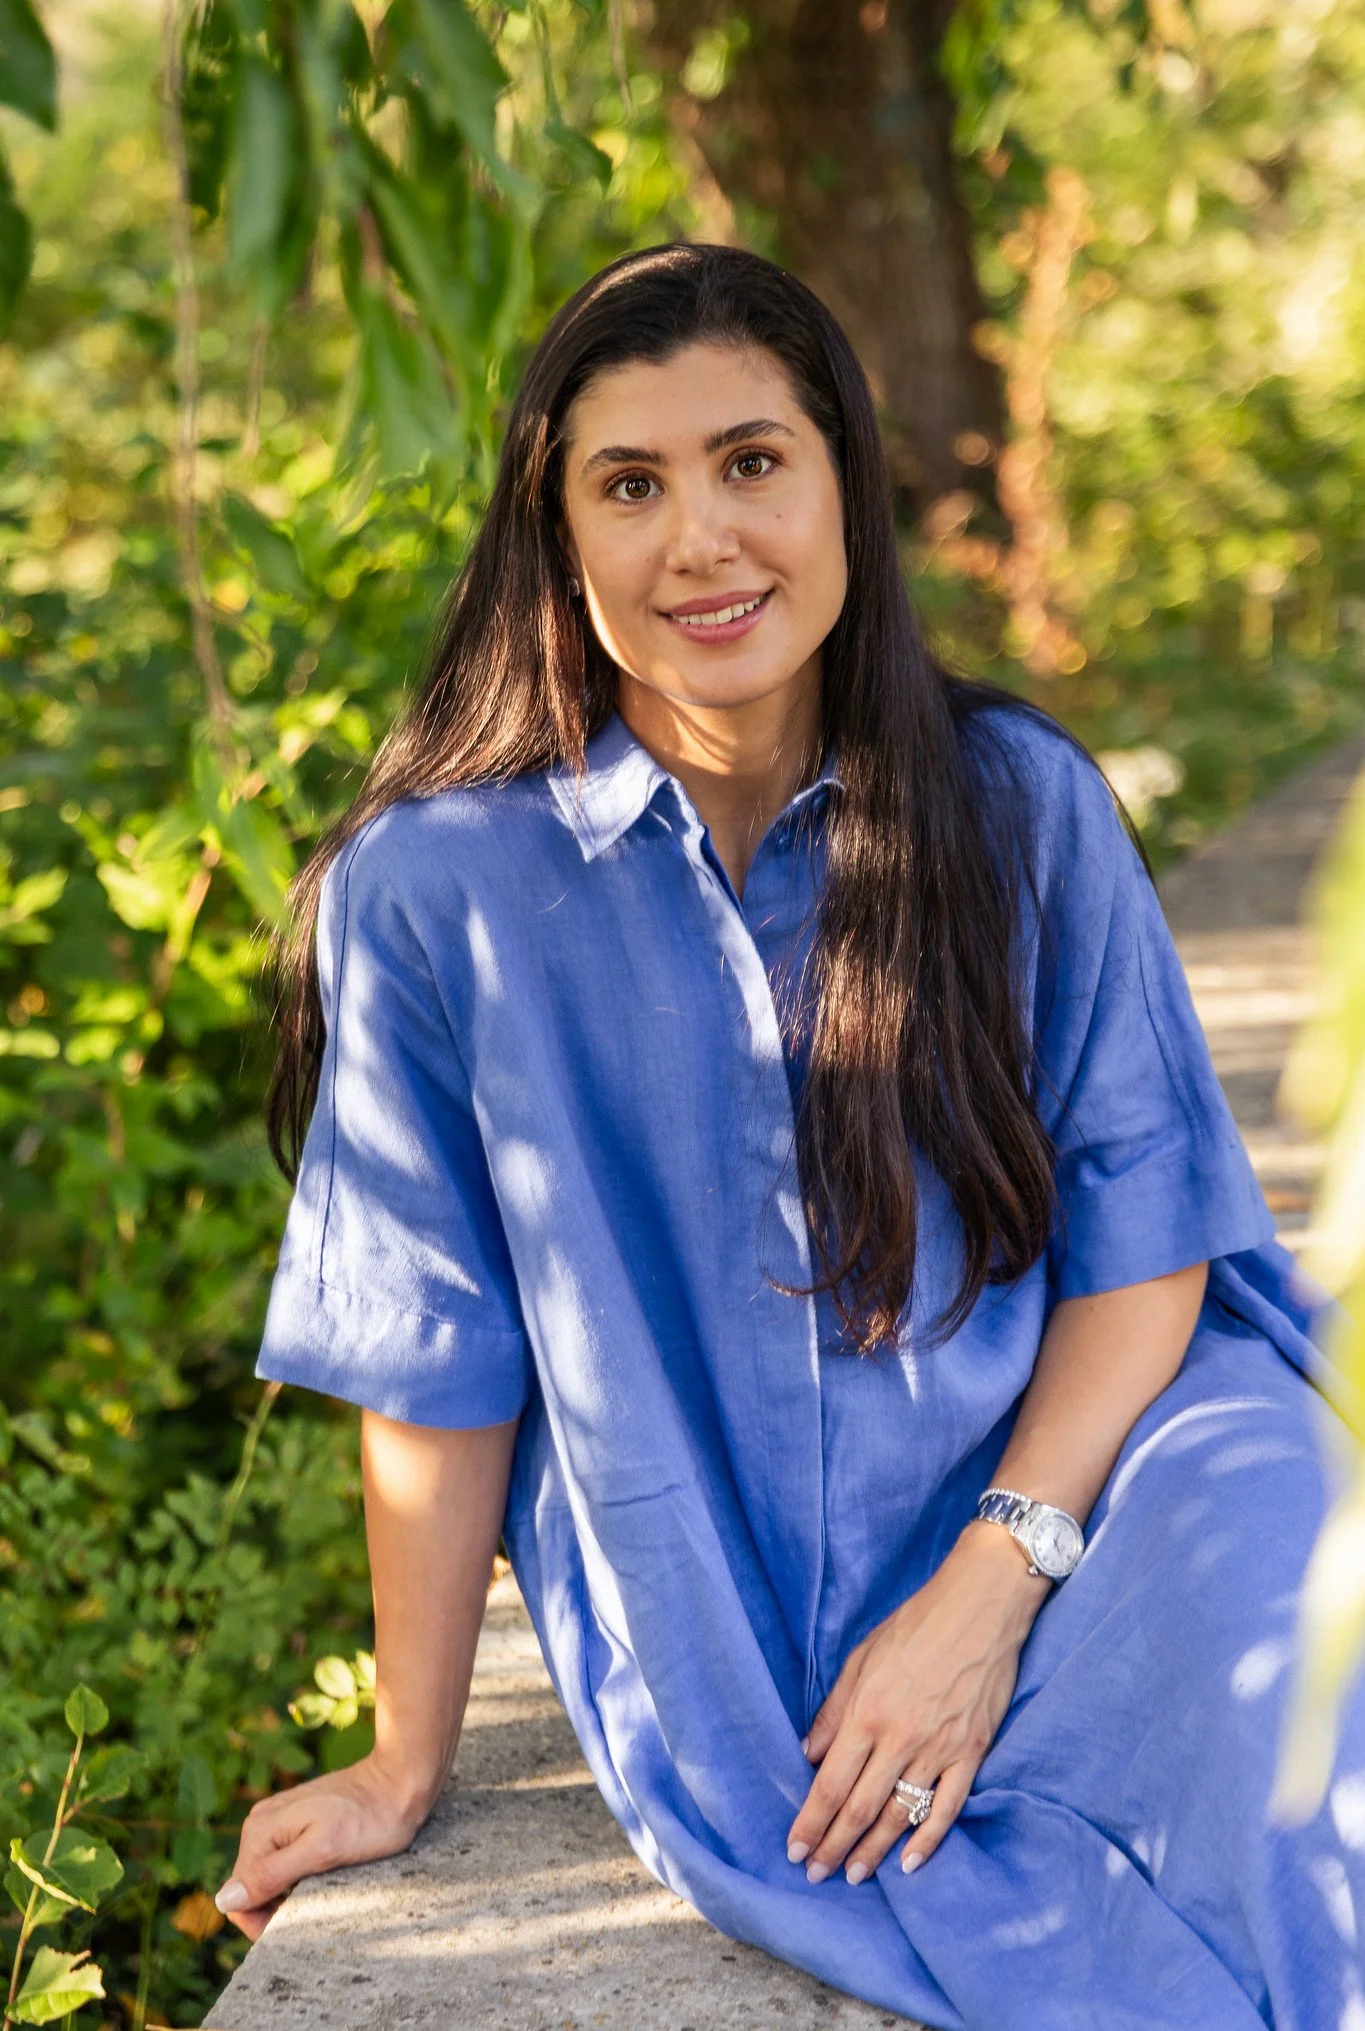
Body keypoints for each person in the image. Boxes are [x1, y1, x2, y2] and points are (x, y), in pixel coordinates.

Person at [214, 244, 1364, 2029]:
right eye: (631, 484)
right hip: (733, 1611)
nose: (702, 541)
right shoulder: (440, 895)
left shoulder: (1020, 808)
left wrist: (992, 1585)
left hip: (1097, 1481)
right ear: (560, 537)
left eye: (752, 461)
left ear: (844, 484)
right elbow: (435, 1365)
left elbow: (1150, 1254)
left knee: (1321, 1732)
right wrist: (399, 1758)